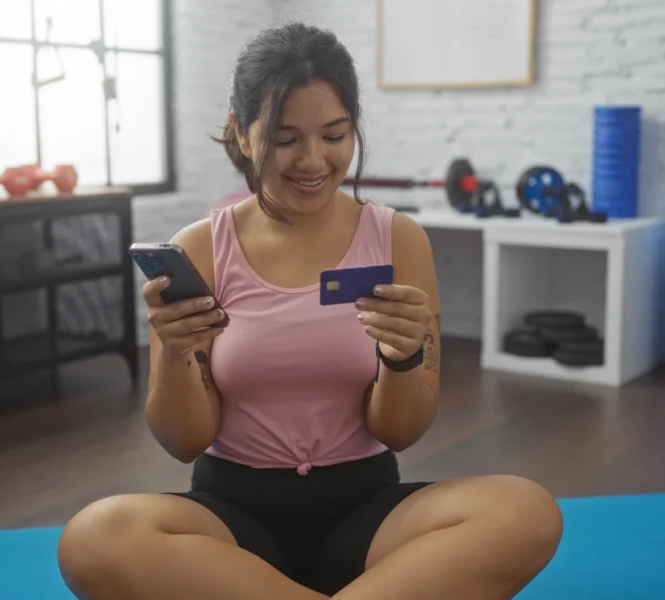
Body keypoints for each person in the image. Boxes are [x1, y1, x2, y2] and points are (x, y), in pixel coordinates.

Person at [57, 22, 563, 600]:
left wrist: (401, 356)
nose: (313, 160)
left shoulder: (400, 240)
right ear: (241, 136)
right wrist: (173, 352)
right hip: (232, 525)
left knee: (527, 510)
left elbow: (401, 432)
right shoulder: (201, 248)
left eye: (334, 134)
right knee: (93, 538)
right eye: (286, 137)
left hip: (370, 521)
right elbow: (184, 442)